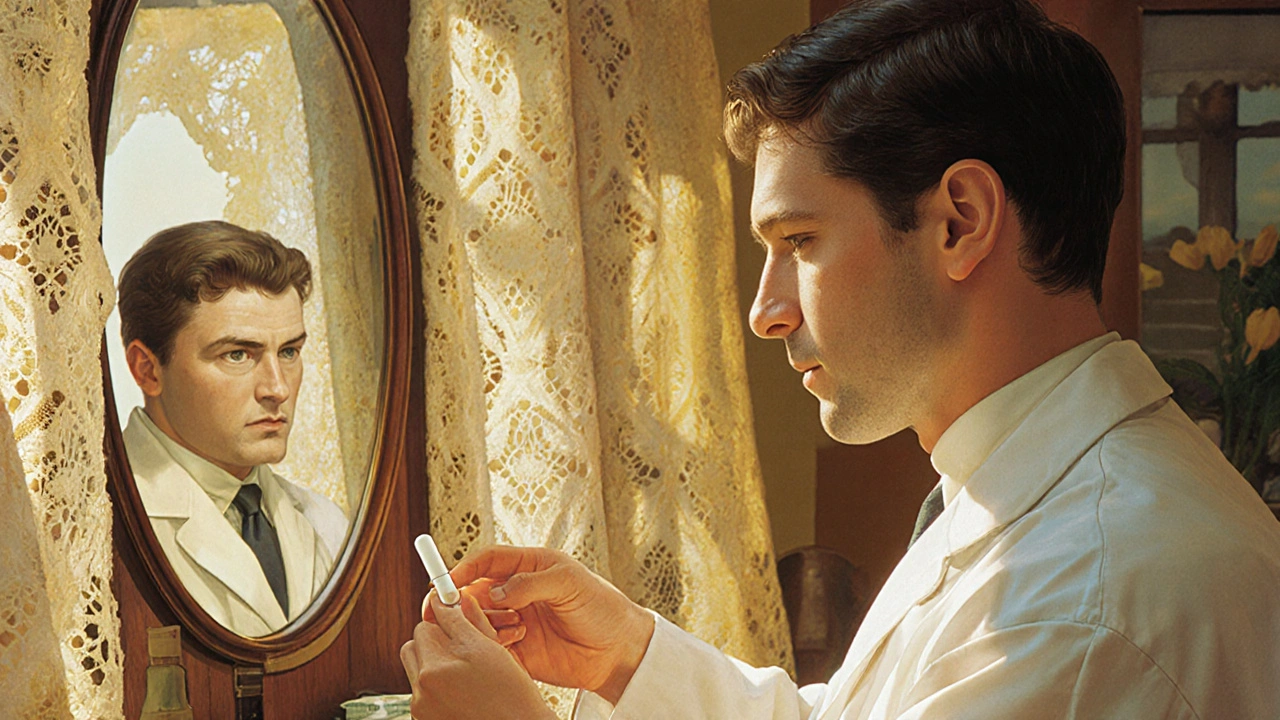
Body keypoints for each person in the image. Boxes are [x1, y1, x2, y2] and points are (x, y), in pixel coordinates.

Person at [398, 0, 1280, 717]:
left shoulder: (1089, 599)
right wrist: (630, 653)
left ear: (959, 220)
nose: (764, 312)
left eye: (802, 240)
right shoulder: (1026, 500)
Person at [118, 220, 348, 637]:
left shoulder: (325, 522)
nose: (278, 388)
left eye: (290, 351)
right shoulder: (101, 525)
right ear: (147, 370)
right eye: (238, 355)